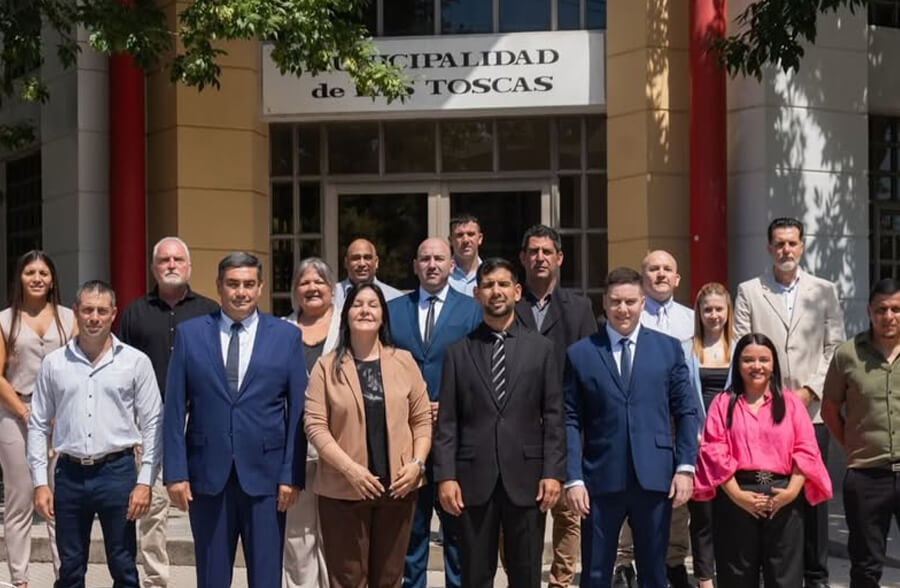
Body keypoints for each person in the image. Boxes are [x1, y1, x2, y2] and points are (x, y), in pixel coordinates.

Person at [163, 252, 306, 588]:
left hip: (267, 480)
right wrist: (176, 473)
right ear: (218, 286)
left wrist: (292, 475)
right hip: (207, 478)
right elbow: (173, 409)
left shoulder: (286, 337)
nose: (240, 292)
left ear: (260, 288)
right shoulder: (190, 334)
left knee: (266, 578)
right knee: (211, 578)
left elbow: (298, 410)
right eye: (232, 284)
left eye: (248, 285)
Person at [434, 258, 565, 587]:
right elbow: (447, 422)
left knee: (526, 575)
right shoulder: (458, 353)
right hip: (472, 481)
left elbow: (553, 416)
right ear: (477, 294)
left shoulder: (542, 350)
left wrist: (553, 472)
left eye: (503, 284)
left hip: (528, 479)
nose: (496, 292)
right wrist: (445, 476)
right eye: (489, 285)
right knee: (475, 576)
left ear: (517, 291)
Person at [564, 267, 698, 588]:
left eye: (630, 302)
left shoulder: (668, 349)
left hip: (655, 478)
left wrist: (685, 466)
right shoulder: (580, 353)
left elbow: (686, 410)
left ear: (642, 302)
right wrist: (573, 477)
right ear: (604, 304)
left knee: (654, 572)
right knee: (596, 574)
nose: (623, 309)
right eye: (616, 302)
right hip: (599, 479)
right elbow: (570, 418)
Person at [28, 280, 163, 588]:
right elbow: (37, 424)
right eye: (88, 310)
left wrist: (144, 481)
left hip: (117, 473)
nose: (94, 317)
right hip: (69, 474)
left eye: (102, 311)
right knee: (70, 568)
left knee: (123, 564)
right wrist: (39, 482)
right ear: (76, 312)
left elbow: (153, 422)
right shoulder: (54, 363)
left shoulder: (135, 362)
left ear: (114, 314)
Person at [734, 217, 845, 588]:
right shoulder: (750, 291)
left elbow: (835, 348)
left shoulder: (824, 290)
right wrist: (771, 396)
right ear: (769, 248)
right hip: (763, 413)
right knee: (770, 491)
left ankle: (816, 577)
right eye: (779, 243)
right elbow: (742, 346)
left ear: (802, 246)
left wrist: (810, 391)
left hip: (810, 412)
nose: (786, 250)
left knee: (811, 496)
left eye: (792, 243)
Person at [304, 282, 432, 587]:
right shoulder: (326, 367)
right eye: (358, 304)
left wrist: (417, 464)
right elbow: (315, 426)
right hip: (343, 491)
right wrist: (350, 469)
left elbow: (422, 419)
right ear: (346, 315)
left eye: (373, 305)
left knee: (389, 579)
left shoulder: (404, 361)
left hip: (397, 489)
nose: (365, 310)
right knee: (348, 580)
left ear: (383, 316)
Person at [117, 236, 219, 588]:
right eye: (164, 260)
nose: (171, 265)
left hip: (201, 421)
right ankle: (155, 581)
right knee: (153, 507)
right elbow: (122, 372)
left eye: (177, 260)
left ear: (189, 267)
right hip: (150, 421)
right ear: (153, 268)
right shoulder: (134, 313)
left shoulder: (210, 311)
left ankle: (210, 575)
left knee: (205, 502)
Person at [693, 333, 832, 587]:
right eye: (748, 360)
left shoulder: (791, 403)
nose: (756, 366)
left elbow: (806, 449)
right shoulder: (723, 403)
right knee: (736, 576)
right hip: (736, 495)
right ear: (737, 364)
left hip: (784, 496)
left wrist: (791, 492)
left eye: (764, 360)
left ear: (773, 364)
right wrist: (737, 496)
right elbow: (714, 451)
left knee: (784, 578)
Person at [389, 237, 481, 588]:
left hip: (454, 438)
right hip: (406, 438)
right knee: (411, 532)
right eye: (424, 258)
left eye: (439, 258)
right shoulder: (394, 309)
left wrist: (454, 401)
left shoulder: (471, 310)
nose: (431, 265)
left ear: (451, 265)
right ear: (414, 266)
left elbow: (479, 369)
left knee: (457, 531)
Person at [514, 224, 597, 588]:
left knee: (567, 515)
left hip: (566, 426)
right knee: (521, 516)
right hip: (518, 429)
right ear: (523, 258)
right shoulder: (509, 305)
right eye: (533, 252)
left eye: (547, 252)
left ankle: (561, 583)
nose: (540, 258)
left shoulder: (579, 308)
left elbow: (591, 369)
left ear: (559, 258)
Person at [0, 251, 75, 587]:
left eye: (43, 272)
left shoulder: (69, 318)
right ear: (20, 278)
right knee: (20, 499)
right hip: (17, 412)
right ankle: (20, 579)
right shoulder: (5, 320)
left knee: (60, 500)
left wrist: (61, 412)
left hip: (61, 417)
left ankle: (66, 576)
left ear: (53, 279)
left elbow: (77, 370)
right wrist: (25, 412)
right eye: (30, 272)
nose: (37, 278)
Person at [821, 278, 900, 587]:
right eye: (881, 309)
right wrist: (851, 448)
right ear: (870, 311)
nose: (889, 316)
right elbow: (830, 409)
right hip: (867, 476)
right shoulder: (848, 354)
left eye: (896, 309)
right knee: (865, 567)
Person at [282, 257, 342, 588]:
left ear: (332, 289)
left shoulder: (348, 328)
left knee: (338, 536)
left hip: (342, 449)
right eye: (304, 282)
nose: (312, 287)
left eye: (319, 281)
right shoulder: (280, 329)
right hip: (295, 449)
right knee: (298, 537)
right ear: (295, 291)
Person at [685, 282, 736, 588]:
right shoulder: (685, 349)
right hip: (697, 446)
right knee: (702, 519)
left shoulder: (742, 347)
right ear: (699, 313)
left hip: (733, 447)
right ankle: (705, 580)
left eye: (719, 308)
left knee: (732, 516)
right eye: (708, 309)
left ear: (727, 312)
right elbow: (679, 399)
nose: (714, 315)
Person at [333, 239, 404, 311]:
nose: (362, 264)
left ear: (376, 262)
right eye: (356, 258)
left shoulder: (395, 298)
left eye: (367, 258)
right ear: (346, 263)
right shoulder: (331, 296)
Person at [448, 214, 483, 296]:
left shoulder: (489, 273)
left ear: (480, 238)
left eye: (470, 234)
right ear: (450, 240)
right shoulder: (443, 275)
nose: (466, 240)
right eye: (459, 235)